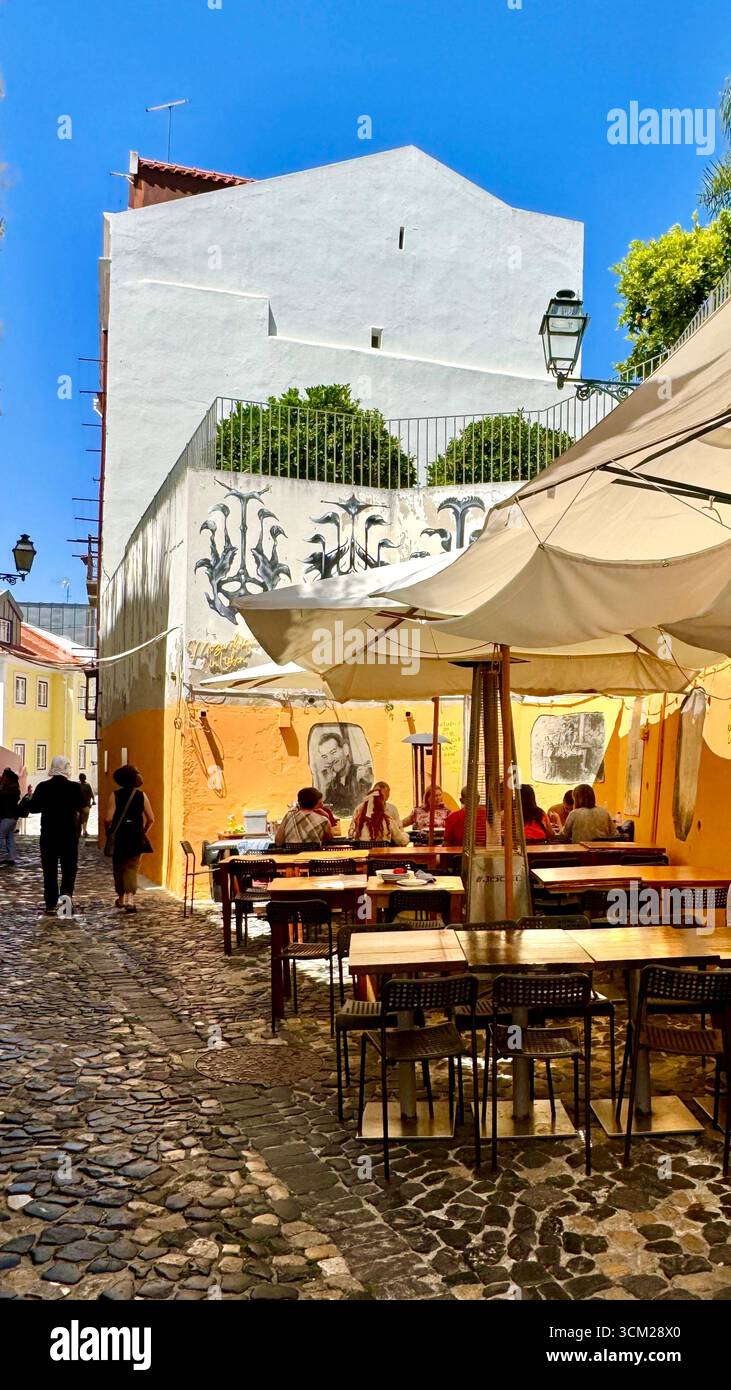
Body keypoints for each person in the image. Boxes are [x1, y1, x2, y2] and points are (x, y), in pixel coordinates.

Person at [25, 756, 85, 915]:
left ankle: (50, 903)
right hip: (69, 835)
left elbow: (34, 808)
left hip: (49, 834)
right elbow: (83, 806)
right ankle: (65, 904)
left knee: (49, 869)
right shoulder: (74, 787)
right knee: (69, 868)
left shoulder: (43, 787)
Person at [104, 765, 155, 913]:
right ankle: (130, 899)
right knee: (131, 867)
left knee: (118, 866)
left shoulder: (115, 795)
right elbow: (151, 818)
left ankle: (121, 898)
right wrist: (143, 831)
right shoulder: (141, 795)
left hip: (120, 835)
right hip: (135, 836)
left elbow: (108, 818)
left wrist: (108, 831)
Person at [316, 732, 372, 819]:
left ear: (345, 750)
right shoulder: (331, 783)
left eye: (333, 752)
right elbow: (324, 809)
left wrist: (365, 778)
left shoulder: (361, 773)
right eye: (325, 756)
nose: (330, 760)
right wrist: (325, 785)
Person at [0, 769, 23, 867]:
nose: (2, 778)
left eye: (4, 777)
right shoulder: (13, 788)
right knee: (9, 836)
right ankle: (11, 857)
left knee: (0, 835)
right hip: (11, 817)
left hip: (8, 816)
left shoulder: (11, 790)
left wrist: (1, 787)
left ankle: (3, 855)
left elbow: (3, 798)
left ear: (8, 778)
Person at [78, 773, 95, 837]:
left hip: (79, 805)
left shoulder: (78, 785)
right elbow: (91, 794)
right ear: (85, 778)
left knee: (80, 818)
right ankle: (84, 831)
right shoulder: (87, 785)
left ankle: (80, 831)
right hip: (86, 805)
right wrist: (93, 801)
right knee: (85, 818)